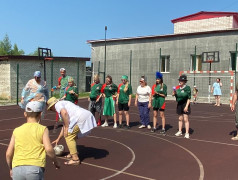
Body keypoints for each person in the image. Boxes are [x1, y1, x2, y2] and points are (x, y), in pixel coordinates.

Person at [6, 101, 60, 179]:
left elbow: (8, 153)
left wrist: (11, 168)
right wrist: (56, 161)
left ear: (25, 114)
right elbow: (48, 149)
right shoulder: (43, 129)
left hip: (17, 168)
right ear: (41, 114)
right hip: (34, 168)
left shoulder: (16, 130)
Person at [47, 97, 97, 165]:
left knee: (69, 136)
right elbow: (64, 126)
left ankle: (75, 159)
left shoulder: (57, 105)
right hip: (85, 115)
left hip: (80, 117)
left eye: (50, 108)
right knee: (71, 135)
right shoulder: (63, 103)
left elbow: (64, 114)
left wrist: (67, 127)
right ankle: (72, 152)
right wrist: (58, 139)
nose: (51, 110)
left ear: (52, 105)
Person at [172, 74, 191, 139]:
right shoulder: (177, 88)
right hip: (179, 104)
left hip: (185, 103)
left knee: (186, 119)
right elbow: (175, 95)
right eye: (180, 80)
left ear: (185, 81)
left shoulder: (187, 88)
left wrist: (186, 106)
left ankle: (187, 133)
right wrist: (174, 93)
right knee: (180, 118)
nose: (180, 81)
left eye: (181, 80)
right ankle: (180, 131)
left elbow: (189, 98)